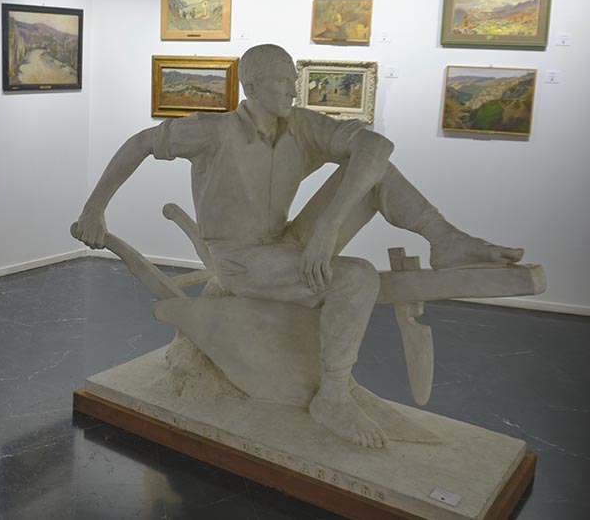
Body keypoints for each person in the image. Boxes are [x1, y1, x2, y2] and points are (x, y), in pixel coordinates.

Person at [73, 44, 522, 449]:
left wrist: (327, 228)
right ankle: (333, 395)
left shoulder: (301, 126)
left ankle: (446, 240)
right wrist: (94, 209)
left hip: (286, 242)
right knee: (356, 277)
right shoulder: (214, 131)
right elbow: (139, 144)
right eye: (283, 81)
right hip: (240, 262)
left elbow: (376, 145)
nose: (293, 89)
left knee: (375, 169)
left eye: (294, 79)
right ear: (252, 87)